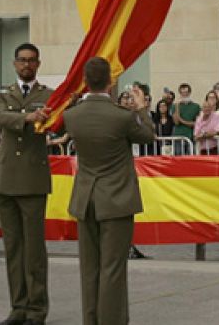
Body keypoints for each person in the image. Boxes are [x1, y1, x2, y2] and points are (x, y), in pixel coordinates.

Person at [63, 58, 155, 325]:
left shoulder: (72, 115)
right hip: (115, 199)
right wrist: (142, 109)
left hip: (85, 198)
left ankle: (90, 319)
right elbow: (148, 136)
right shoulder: (121, 117)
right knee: (112, 269)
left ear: (86, 81)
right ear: (110, 81)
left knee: (89, 269)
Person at [0, 43, 52, 325]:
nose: (27, 65)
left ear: (38, 64)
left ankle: (36, 309)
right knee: (13, 248)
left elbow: (58, 124)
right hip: (6, 179)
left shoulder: (48, 96)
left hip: (33, 178)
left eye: (31, 61)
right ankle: (18, 307)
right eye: (22, 60)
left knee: (34, 250)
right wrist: (29, 117)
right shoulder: (3, 93)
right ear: (15, 64)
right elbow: (1, 117)